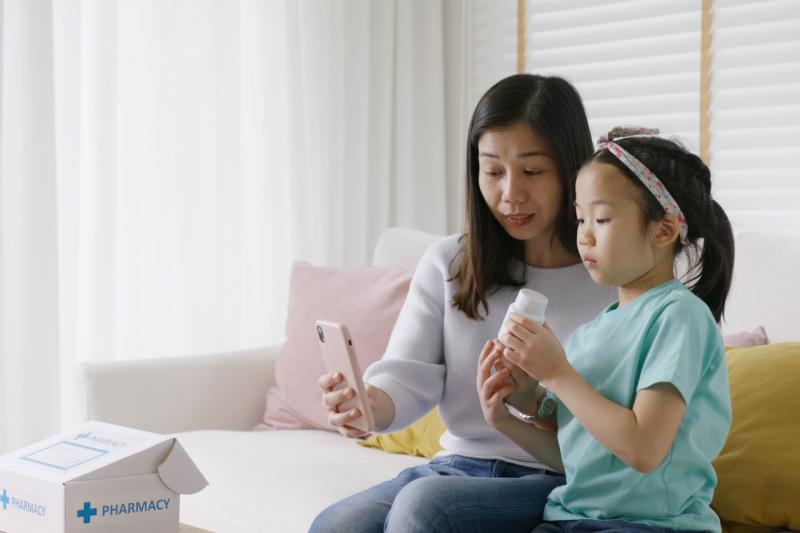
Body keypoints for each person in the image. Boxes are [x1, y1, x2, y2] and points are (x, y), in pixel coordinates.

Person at [310, 73, 616, 533]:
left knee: (425, 508)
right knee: (338, 524)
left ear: (572, 168)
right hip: (460, 465)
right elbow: (405, 376)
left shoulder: (613, 278)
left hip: (556, 475)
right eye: (492, 171)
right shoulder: (450, 263)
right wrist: (367, 406)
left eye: (532, 171)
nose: (510, 194)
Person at [485, 127, 734, 533]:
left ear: (663, 230)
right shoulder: (593, 331)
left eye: (601, 219)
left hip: (654, 526)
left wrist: (557, 373)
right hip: (571, 518)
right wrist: (510, 414)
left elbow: (643, 449)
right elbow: (584, 464)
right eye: (581, 218)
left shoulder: (680, 316)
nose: (583, 235)